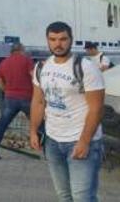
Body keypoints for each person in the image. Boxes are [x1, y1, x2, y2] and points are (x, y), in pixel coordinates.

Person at [30, 22, 105, 202]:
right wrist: (33, 131)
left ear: (71, 40)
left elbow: (97, 108)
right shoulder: (41, 67)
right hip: (53, 141)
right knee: (64, 196)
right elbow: (38, 101)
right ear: (47, 41)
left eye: (63, 39)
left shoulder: (86, 67)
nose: (58, 44)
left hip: (79, 140)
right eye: (53, 39)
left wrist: (85, 141)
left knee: (82, 198)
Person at [0, 43, 34, 159]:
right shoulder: (27, 61)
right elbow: (34, 76)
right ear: (21, 50)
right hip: (27, 97)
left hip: (10, 98)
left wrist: (7, 90)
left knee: (1, 125)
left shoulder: (3, 63)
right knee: (38, 124)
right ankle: (47, 151)